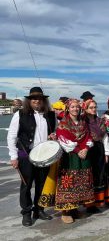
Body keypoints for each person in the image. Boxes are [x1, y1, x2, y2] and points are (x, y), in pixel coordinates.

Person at [7, 87, 56, 226]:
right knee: (26, 185)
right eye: (34, 98)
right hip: (25, 155)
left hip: (45, 156)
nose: (37, 101)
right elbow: (11, 136)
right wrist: (13, 157)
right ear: (29, 100)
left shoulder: (51, 115)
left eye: (39, 99)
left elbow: (55, 133)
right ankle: (27, 212)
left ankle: (39, 210)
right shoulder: (20, 114)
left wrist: (53, 136)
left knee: (41, 184)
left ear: (43, 100)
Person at [55, 99, 94, 224]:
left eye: (77, 107)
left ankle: (75, 208)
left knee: (80, 182)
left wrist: (86, 149)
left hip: (84, 156)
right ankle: (66, 211)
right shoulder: (63, 123)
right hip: (70, 157)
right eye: (72, 107)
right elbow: (63, 140)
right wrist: (78, 150)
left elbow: (88, 136)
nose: (75, 109)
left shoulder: (83, 122)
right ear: (68, 108)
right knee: (69, 182)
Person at [84, 99, 109, 211]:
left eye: (95, 107)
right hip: (88, 149)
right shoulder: (83, 121)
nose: (94, 109)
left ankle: (101, 200)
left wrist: (107, 153)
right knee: (90, 175)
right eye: (91, 107)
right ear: (85, 109)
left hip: (99, 148)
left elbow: (104, 137)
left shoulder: (100, 121)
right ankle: (90, 204)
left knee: (101, 174)